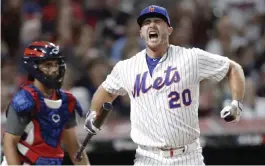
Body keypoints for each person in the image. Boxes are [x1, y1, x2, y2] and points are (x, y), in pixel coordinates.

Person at [84, 5, 245, 165]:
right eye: (146, 22)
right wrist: (92, 113)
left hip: (188, 156)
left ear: (169, 29)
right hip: (148, 157)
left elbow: (233, 68)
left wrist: (236, 103)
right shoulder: (126, 67)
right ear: (141, 32)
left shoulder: (191, 57)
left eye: (157, 21)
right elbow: (106, 90)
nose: (152, 25)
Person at [2, 41, 90, 165]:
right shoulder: (24, 100)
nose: (54, 70)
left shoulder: (66, 102)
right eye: (48, 65)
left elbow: (73, 145)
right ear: (33, 67)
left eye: (56, 64)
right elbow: (9, 142)